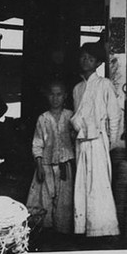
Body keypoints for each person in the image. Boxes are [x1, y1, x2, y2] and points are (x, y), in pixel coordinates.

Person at [71, 42, 122, 237]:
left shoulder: (104, 84)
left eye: (90, 58)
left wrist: (110, 142)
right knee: (82, 184)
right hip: (82, 142)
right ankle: (84, 228)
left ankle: (104, 230)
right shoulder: (77, 89)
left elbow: (114, 116)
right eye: (83, 57)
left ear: (98, 63)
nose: (86, 61)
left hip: (99, 141)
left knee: (99, 185)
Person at [26, 80, 75, 234]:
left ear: (65, 96)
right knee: (44, 201)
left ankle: (62, 236)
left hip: (65, 166)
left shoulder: (71, 116)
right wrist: (39, 165)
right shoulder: (43, 118)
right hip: (46, 166)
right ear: (47, 96)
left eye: (59, 95)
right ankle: (46, 235)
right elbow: (37, 143)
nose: (55, 98)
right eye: (52, 95)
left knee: (64, 202)